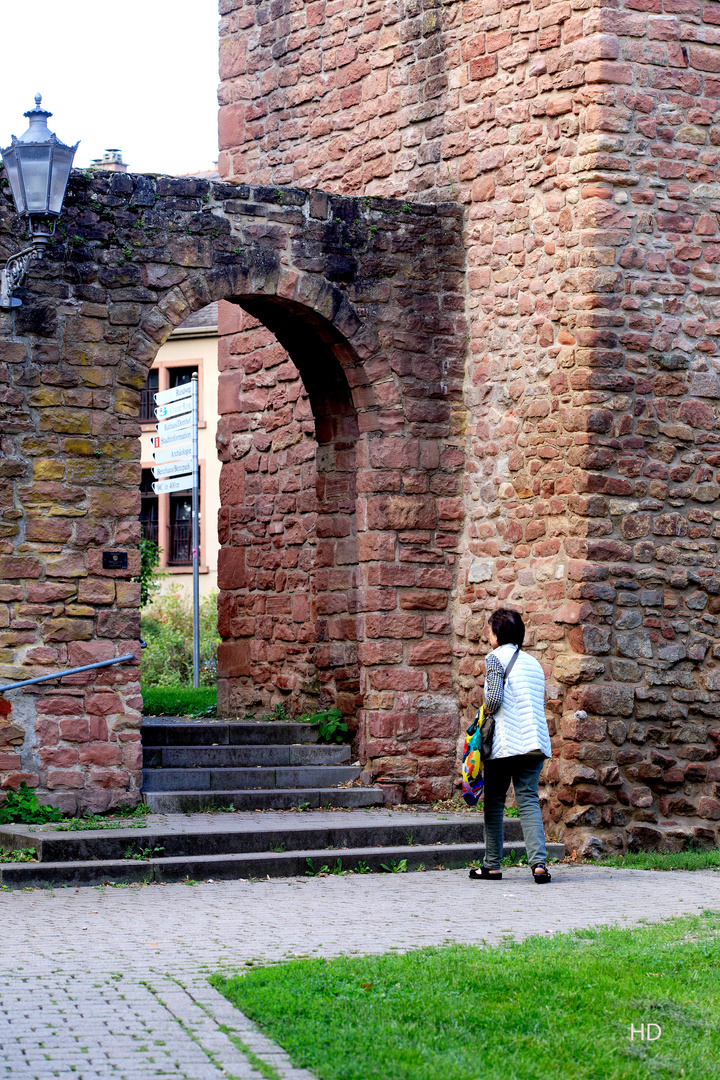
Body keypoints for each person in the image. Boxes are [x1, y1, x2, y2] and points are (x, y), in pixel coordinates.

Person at [468, 608, 553, 884]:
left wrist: (482, 713)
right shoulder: (534, 664)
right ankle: (539, 864)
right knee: (528, 799)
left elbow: (493, 700)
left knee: (494, 802)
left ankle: (491, 865)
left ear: (497, 634)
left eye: (489, 630)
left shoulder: (494, 658)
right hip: (534, 741)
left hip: (506, 742)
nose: (487, 635)